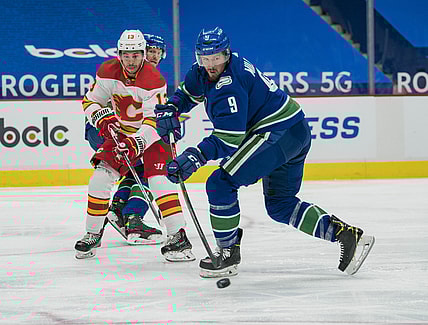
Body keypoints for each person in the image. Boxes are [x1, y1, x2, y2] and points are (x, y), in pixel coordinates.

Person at [154, 27, 375, 278]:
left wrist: (195, 156)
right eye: (206, 58)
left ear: (227, 54)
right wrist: (171, 107)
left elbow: (228, 139)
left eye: (217, 57)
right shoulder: (203, 72)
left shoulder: (230, 86)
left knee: (220, 183)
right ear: (198, 58)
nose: (211, 64)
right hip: (294, 130)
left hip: (276, 135)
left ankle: (227, 252)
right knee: (280, 205)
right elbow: (187, 93)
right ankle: (346, 235)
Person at [75, 29, 195, 262]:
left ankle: (178, 237)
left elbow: (153, 121)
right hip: (121, 133)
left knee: (160, 181)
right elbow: (90, 101)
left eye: (136, 55)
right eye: (126, 55)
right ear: (120, 54)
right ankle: (93, 233)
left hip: (152, 136)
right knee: (100, 177)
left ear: (142, 54)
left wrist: (135, 143)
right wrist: (101, 117)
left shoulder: (153, 79)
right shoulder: (107, 71)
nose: (131, 61)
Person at [84, 33, 169, 246]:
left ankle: (118, 207)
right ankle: (132, 216)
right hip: (112, 133)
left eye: (157, 53)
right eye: (149, 52)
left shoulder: (150, 78)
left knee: (138, 169)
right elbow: (95, 101)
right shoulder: (133, 76)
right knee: (148, 170)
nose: (153, 57)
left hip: (123, 133)